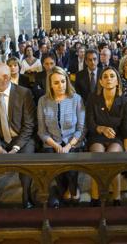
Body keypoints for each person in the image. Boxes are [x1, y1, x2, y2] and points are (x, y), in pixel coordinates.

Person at [0, 63, 36, 209]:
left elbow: (29, 125)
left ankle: (27, 197)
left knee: (26, 164)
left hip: (21, 139)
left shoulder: (24, 93)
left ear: (6, 77)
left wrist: (16, 148)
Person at [37, 66, 86, 207]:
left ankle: (73, 188)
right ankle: (63, 189)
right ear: (50, 85)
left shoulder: (76, 99)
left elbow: (81, 129)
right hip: (51, 142)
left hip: (74, 141)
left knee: (70, 166)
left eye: (63, 81)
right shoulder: (43, 101)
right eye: (56, 82)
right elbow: (42, 131)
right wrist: (56, 145)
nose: (61, 86)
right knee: (56, 165)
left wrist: (69, 145)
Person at [86, 67, 127, 207]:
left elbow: (126, 126)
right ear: (100, 81)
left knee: (113, 159)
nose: (109, 79)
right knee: (98, 159)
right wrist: (101, 128)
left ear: (117, 81)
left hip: (116, 138)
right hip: (97, 136)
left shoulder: (124, 101)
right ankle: (95, 198)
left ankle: (116, 198)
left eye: (112, 76)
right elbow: (89, 122)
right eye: (105, 76)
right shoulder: (93, 98)